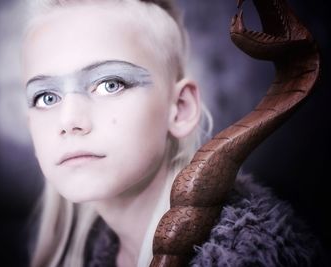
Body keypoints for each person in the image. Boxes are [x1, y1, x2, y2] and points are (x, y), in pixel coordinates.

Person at [21, 0, 323, 266]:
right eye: (47, 97)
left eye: (109, 84)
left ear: (180, 108)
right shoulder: (91, 254)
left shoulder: (252, 256)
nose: (69, 120)